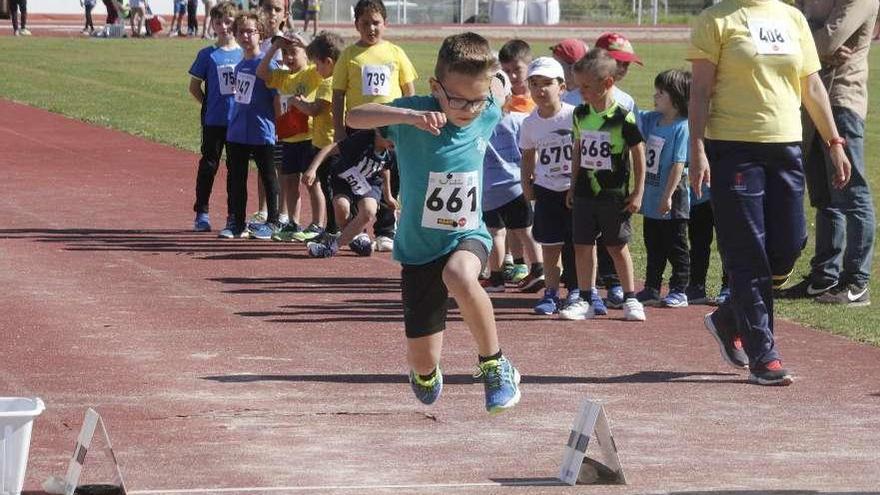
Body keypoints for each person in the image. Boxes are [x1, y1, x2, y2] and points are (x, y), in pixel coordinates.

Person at [346, 32, 522, 414]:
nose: (469, 109)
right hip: (419, 249)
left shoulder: (487, 109)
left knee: (460, 274)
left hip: (467, 236)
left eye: (476, 100)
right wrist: (408, 116)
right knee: (423, 364)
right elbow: (353, 117)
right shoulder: (411, 114)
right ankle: (425, 372)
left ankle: (495, 364)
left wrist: (493, 81)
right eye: (458, 99)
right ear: (434, 88)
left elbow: (497, 86)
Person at [689, 0, 851, 385]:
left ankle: (729, 317)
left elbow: (811, 84)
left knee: (790, 245)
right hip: (733, 149)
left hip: (786, 147)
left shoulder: (791, 17)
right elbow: (699, 91)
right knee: (747, 254)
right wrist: (697, 149)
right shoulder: (717, 20)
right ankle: (765, 354)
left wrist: (834, 141)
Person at [778, 0, 877, 306]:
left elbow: (826, 39)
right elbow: (788, 27)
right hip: (812, 99)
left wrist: (809, 39)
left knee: (852, 193)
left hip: (842, 99)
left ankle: (856, 282)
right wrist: (813, 43)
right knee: (824, 197)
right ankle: (824, 277)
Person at [560, 48, 647, 322]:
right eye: (579, 85)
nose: (581, 91)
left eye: (586, 86)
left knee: (617, 246)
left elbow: (638, 153)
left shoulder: (624, 117)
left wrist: (638, 191)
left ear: (607, 83)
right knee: (582, 246)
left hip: (614, 195)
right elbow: (577, 149)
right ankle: (585, 298)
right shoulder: (580, 114)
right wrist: (572, 185)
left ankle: (631, 298)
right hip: (585, 193)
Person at [332, 0, 417, 253]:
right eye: (365, 23)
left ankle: (385, 229)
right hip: (358, 130)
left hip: (391, 130)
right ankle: (359, 229)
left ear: (385, 24)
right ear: (356, 24)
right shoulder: (349, 55)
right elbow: (338, 95)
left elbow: (408, 90)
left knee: (392, 175)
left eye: (376, 23)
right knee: (360, 176)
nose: (371, 28)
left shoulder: (395, 52)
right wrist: (338, 128)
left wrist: (409, 122)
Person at [520, 57, 583, 315]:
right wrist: (526, 185)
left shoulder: (575, 116)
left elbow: (583, 152)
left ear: (562, 87)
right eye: (534, 84)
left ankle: (578, 290)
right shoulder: (529, 123)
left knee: (578, 243)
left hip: (574, 188)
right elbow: (527, 156)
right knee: (550, 244)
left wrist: (577, 186)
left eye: (547, 83)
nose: (540, 90)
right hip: (546, 190)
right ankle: (551, 292)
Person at [258, 32, 328, 242]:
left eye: (293, 52)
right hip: (288, 137)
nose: (289, 57)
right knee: (289, 183)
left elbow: (321, 63)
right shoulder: (282, 76)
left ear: (306, 54)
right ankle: (292, 222)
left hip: (308, 138)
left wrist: (307, 44)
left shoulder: (312, 73)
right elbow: (261, 72)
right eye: (285, 53)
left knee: (312, 183)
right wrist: (273, 48)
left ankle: (317, 223)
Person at [219, 12, 283, 240]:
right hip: (237, 130)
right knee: (236, 178)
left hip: (262, 130)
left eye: (251, 31)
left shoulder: (268, 64)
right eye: (241, 32)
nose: (245, 36)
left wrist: (279, 126)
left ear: (260, 34)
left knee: (268, 176)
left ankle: (273, 221)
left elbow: (277, 98)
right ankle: (237, 222)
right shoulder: (239, 66)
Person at [591, 32, 643, 311]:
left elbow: (634, 148)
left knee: (615, 237)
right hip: (581, 181)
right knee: (580, 237)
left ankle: (613, 283)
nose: (624, 68)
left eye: (627, 63)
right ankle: (581, 289)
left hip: (614, 182)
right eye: (618, 62)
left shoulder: (626, 101)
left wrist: (636, 187)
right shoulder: (579, 95)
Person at [480, 70, 544, 294]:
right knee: (526, 229)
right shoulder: (518, 120)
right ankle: (538, 269)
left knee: (496, 233)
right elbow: (530, 150)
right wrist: (534, 174)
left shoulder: (478, 126)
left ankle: (496, 278)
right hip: (517, 185)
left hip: (489, 189)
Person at [636, 69, 691, 308]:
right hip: (651, 195)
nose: (655, 96)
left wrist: (668, 196)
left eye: (661, 93)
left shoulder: (682, 127)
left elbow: (678, 164)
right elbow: (631, 114)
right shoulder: (653, 121)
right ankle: (651, 287)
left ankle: (679, 288)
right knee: (653, 244)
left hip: (673, 197)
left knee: (676, 245)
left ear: (677, 99)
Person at [188, 1, 242, 232]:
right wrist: (208, 104)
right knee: (209, 165)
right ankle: (202, 211)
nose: (223, 26)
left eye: (228, 21)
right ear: (212, 25)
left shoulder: (244, 53)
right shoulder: (208, 54)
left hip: (239, 122)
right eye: (218, 22)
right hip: (214, 121)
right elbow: (194, 86)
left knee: (235, 169)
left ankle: (233, 215)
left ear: (236, 24)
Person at [303, 130, 398, 257]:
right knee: (341, 208)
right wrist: (312, 169)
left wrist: (388, 196)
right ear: (378, 132)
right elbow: (330, 148)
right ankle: (356, 239)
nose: (395, 142)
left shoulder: (392, 151)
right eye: (391, 137)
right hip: (343, 179)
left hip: (369, 182)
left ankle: (331, 247)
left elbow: (385, 169)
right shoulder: (361, 140)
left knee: (369, 211)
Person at [686, 183, 730, 305]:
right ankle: (696, 286)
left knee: (728, 243)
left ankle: (729, 286)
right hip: (699, 194)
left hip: (726, 193)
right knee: (698, 243)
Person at [498, 39, 536, 114]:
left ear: (530, 66)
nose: (513, 76)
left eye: (517, 69)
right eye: (507, 71)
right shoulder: (500, 101)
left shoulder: (541, 98)